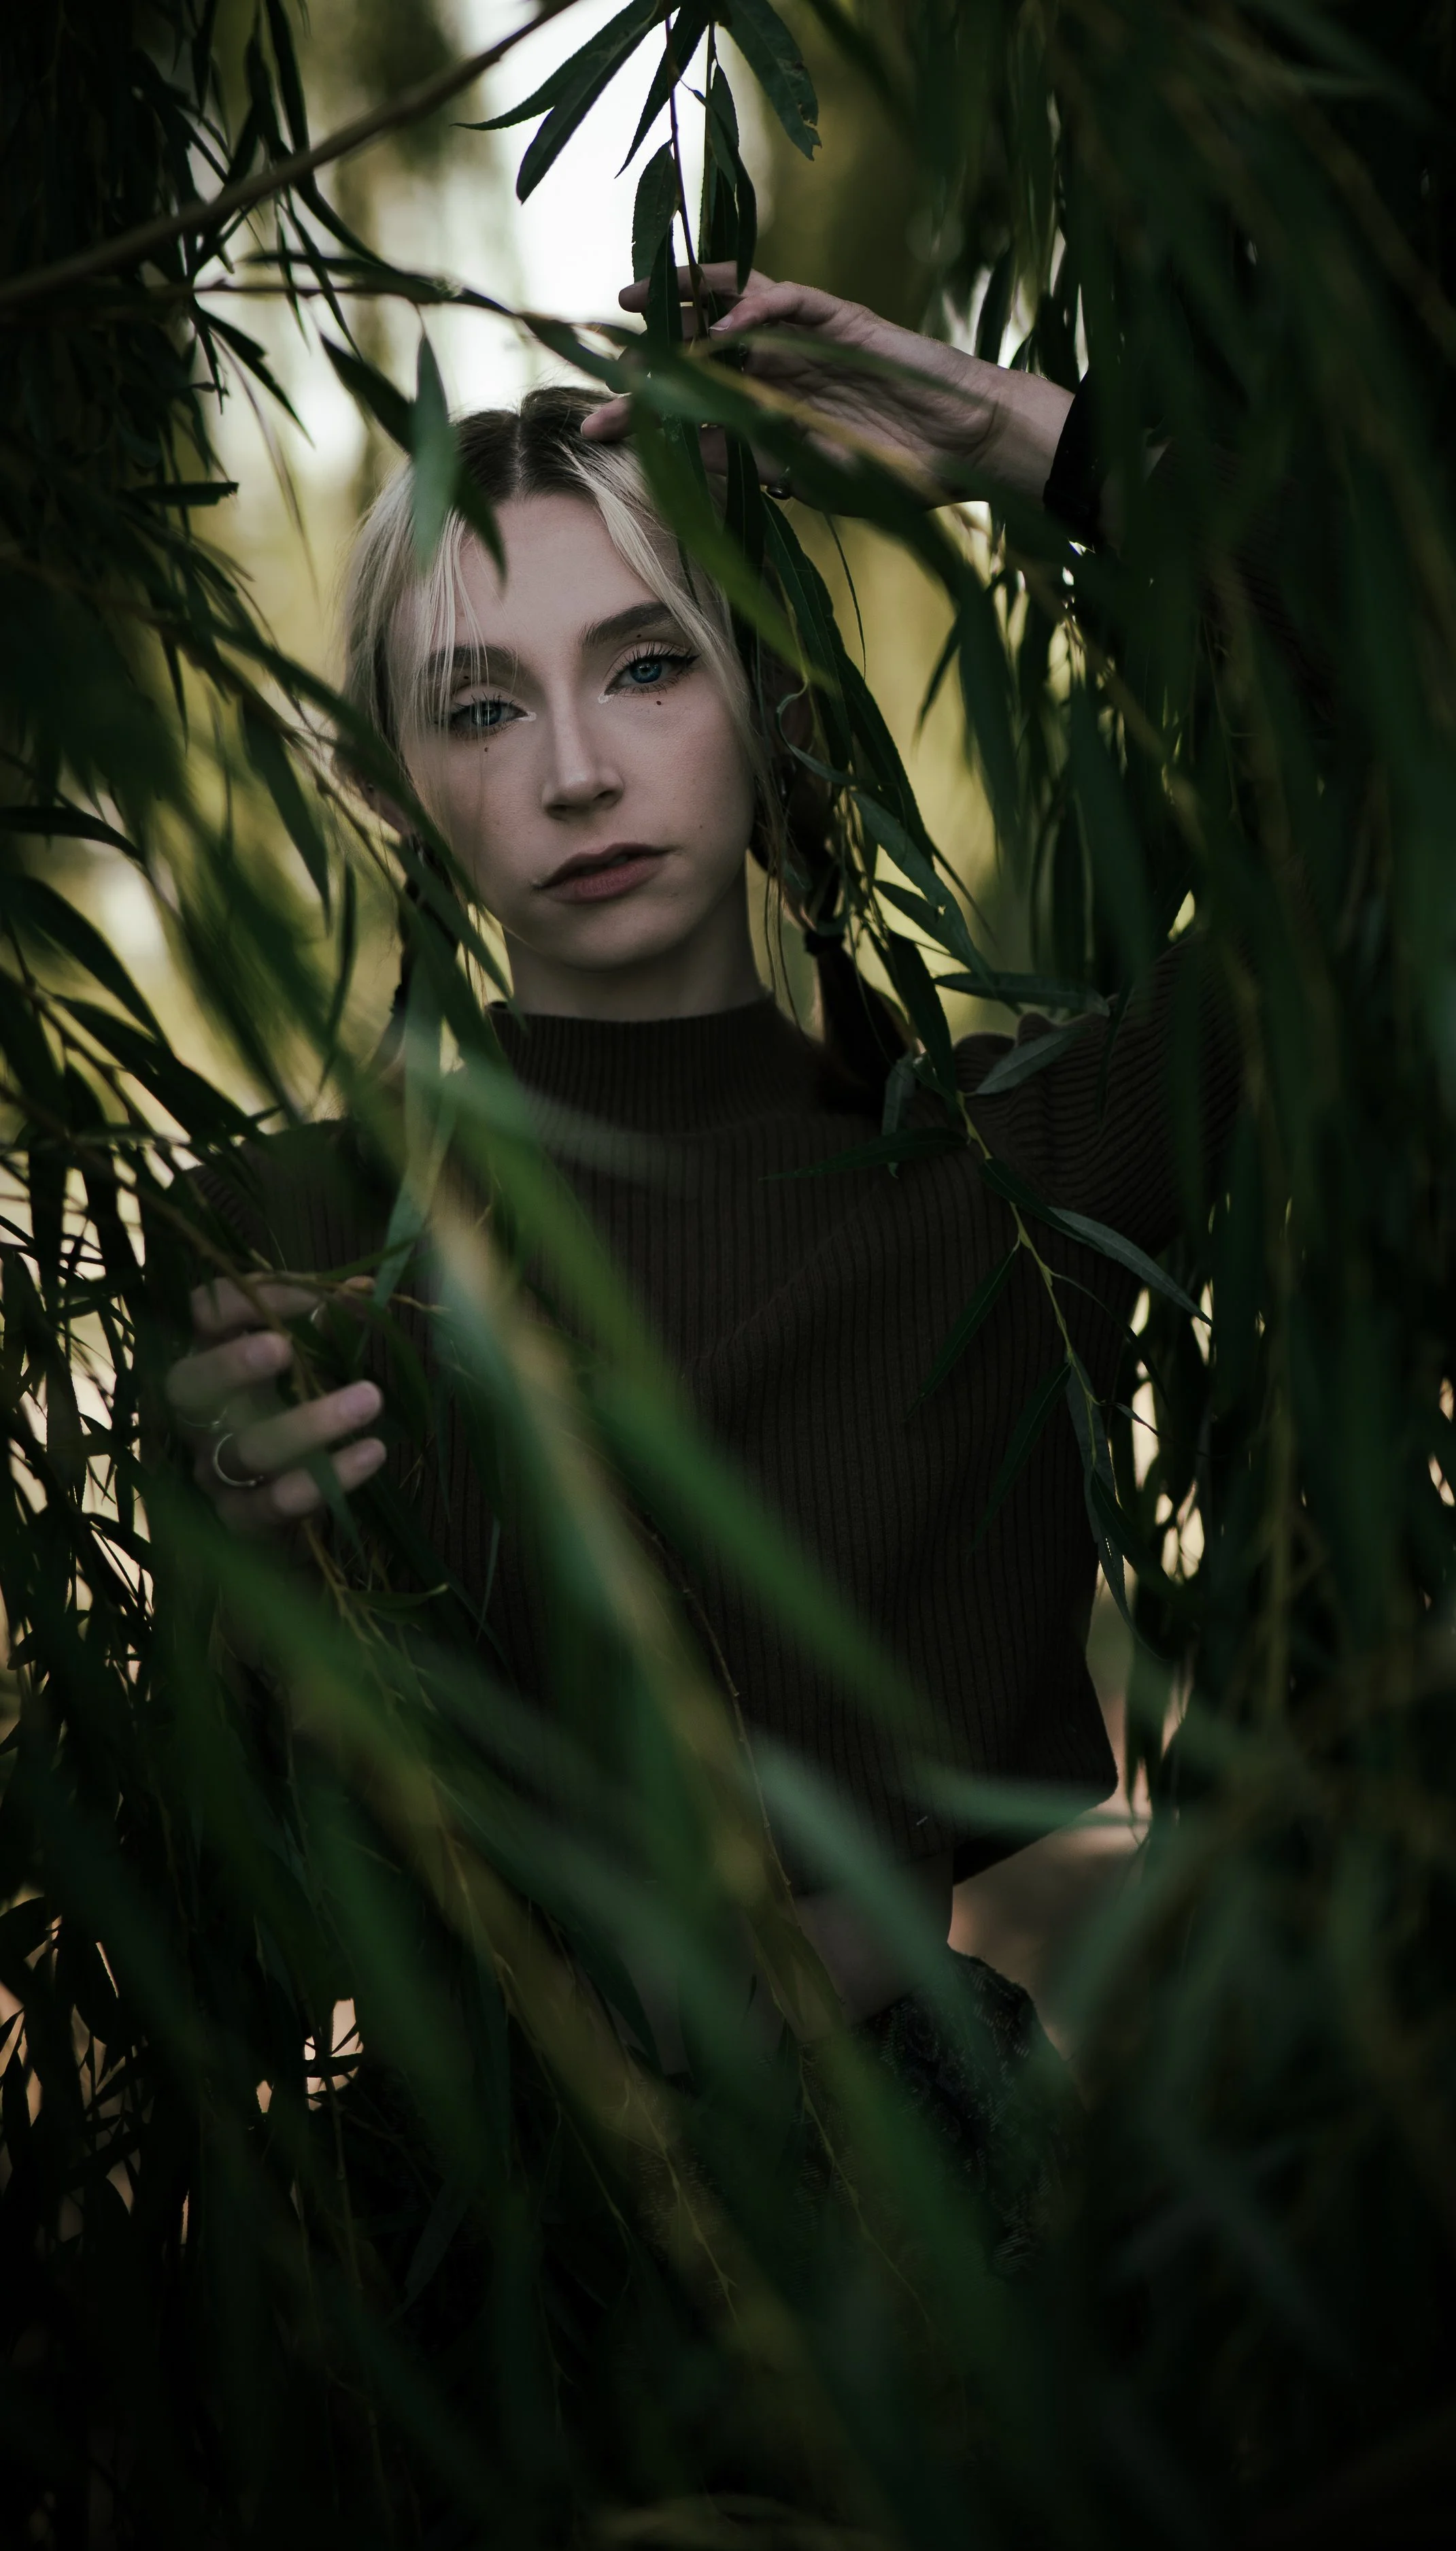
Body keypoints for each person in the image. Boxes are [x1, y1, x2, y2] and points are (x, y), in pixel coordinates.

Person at [165, 271, 1240, 2241]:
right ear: (391, 778)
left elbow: (1431, 782)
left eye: (647, 664)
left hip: (931, 2184)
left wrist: (1008, 435)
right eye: (481, 701)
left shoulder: (999, 1169)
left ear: (767, 693)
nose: (574, 768)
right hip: (460, 2228)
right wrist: (231, 1561)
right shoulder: (295, 1244)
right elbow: (214, 1892)